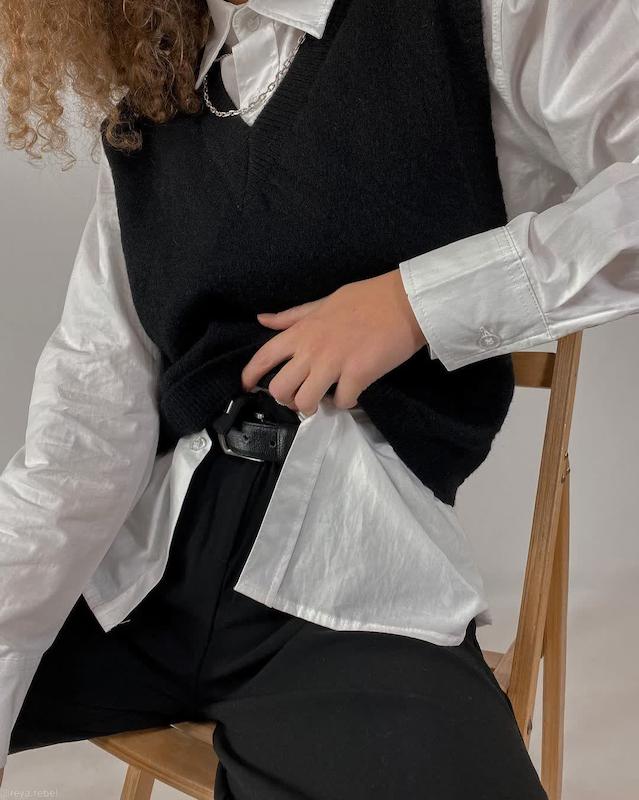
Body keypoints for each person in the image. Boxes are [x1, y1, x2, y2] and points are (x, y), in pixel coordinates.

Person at [0, 0, 637, 797]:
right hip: (133, 572)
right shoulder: (149, 79)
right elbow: (90, 415)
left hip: (344, 582)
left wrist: (415, 304)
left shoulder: (483, 14)